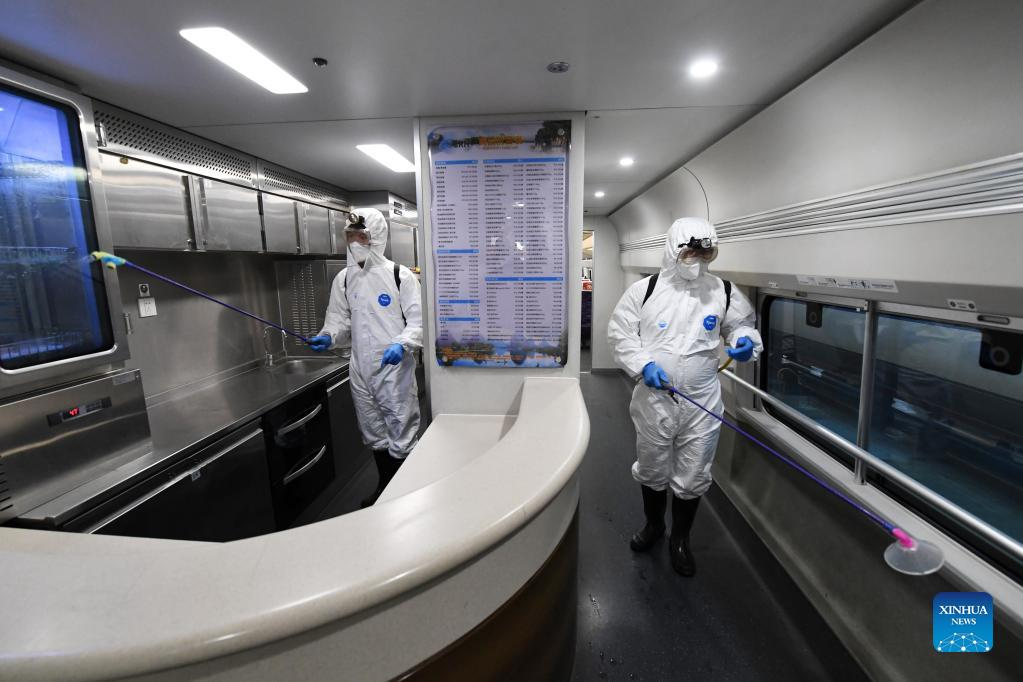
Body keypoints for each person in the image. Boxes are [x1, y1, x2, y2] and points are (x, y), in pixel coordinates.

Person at [607, 217, 762, 577]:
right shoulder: (644, 291)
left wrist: (744, 342)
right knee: (652, 466)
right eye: (690, 252)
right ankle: (654, 526)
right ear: (673, 249)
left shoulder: (723, 291)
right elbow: (620, 334)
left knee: (693, 472)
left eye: (705, 253)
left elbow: (742, 325)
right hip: (654, 398)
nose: (697, 260)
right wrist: (643, 364)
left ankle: (680, 539)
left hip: (702, 401)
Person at [307, 208, 423, 507]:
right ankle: (384, 491)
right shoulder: (344, 279)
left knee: (402, 431)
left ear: (376, 237)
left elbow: (419, 322)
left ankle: (406, 499)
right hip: (360, 370)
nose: (355, 242)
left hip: (393, 369)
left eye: (361, 236)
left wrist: (402, 344)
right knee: (373, 432)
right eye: (350, 236)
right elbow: (339, 320)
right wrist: (329, 336)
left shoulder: (400, 276)